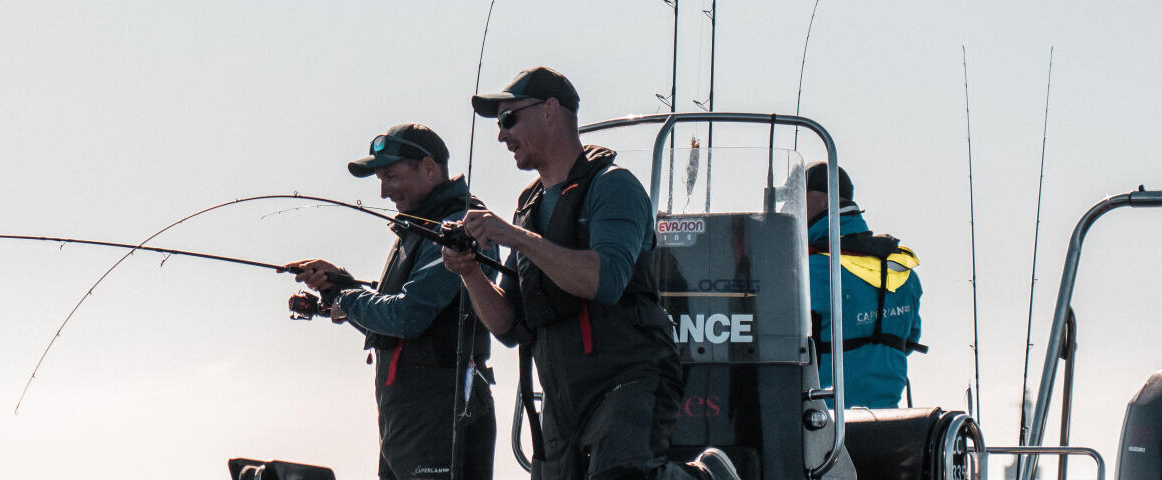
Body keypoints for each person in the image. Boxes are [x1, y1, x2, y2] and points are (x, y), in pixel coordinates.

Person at [439, 66, 737, 480]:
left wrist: (515, 237)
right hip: (563, 395)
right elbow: (507, 325)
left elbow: (605, 280)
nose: (501, 135)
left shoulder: (615, 187)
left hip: (629, 378)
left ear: (549, 111)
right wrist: (469, 272)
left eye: (509, 119)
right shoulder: (528, 207)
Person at [283, 123, 497, 480]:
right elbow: (387, 320)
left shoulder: (459, 226)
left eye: (391, 176)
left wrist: (346, 297)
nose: (383, 192)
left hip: (442, 413)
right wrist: (342, 286)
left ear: (429, 168)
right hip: (405, 421)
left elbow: (408, 316)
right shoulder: (416, 230)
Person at [804, 161, 925, 409]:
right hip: (887, 420)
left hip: (823, 421)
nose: (790, 204)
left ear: (826, 202)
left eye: (798, 196)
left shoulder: (810, 270)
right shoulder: (902, 269)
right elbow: (911, 337)